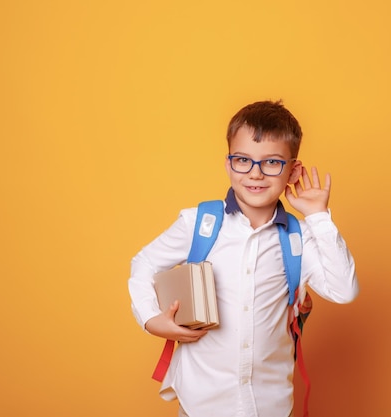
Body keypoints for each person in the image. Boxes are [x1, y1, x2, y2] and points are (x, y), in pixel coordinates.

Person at [128, 100, 359, 417]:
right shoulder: (199, 223)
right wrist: (152, 319)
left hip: (271, 405)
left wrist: (318, 217)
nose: (256, 173)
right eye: (243, 160)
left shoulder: (300, 237)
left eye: (272, 163)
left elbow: (343, 290)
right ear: (228, 164)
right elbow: (144, 264)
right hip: (201, 406)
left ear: (293, 170)